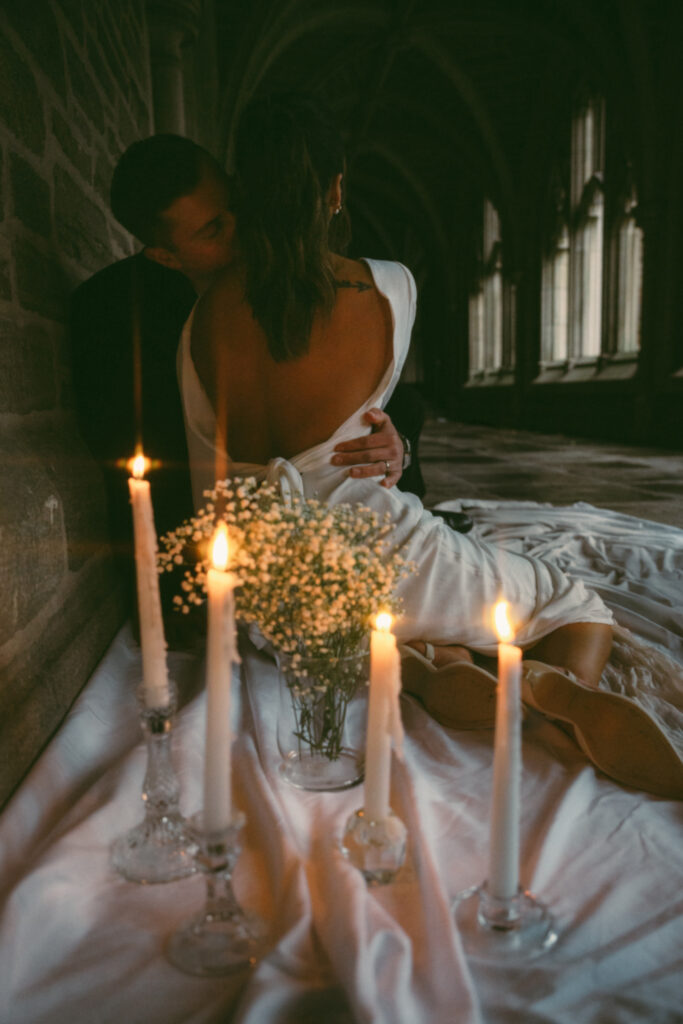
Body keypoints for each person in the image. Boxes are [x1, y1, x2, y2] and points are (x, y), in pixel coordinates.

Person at [177, 94, 683, 799]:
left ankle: (424, 667)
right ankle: (557, 689)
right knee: (573, 603)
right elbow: (367, 413)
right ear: (335, 190)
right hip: (380, 554)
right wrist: (389, 446)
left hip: (268, 588)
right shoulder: (386, 288)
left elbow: (212, 470)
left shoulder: (201, 318)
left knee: (400, 618)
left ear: (244, 196)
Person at [70, 135, 437, 607]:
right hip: (213, 554)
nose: (240, 230)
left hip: (330, 527)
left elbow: (387, 399)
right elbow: (136, 467)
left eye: (236, 206)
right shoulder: (109, 316)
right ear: (165, 256)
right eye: (213, 229)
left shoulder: (285, 274)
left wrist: (397, 445)